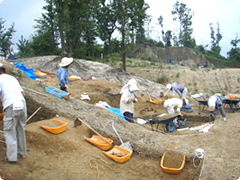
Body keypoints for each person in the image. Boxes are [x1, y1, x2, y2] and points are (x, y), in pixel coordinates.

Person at [0, 64, 27, 164]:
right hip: (22, 103)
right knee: (20, 128)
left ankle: (11, 158)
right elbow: (23, 93)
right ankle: (21, 152)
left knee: (9, 131)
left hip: (11, 105)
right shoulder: (12, 78)